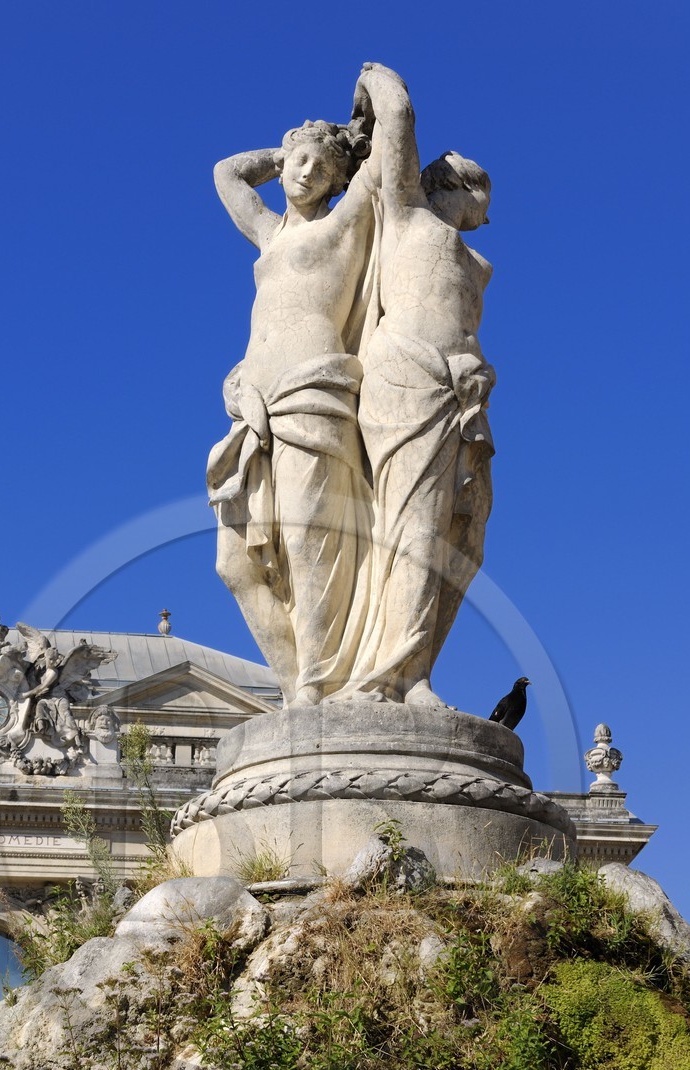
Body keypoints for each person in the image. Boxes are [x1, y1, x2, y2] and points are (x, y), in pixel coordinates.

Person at [208, 114, 379, 704]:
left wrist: (356, 130)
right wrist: (286, 152)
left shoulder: (344, 225)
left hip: (313, 388)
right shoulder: (270, 233)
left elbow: (387, 153)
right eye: (296, 163)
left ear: (337, 181)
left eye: (319, 168)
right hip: (251, 403)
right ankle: (295, 689)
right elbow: (226, 173)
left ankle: (315, 686)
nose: (304, 173)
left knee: (308, 539)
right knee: (236, 564)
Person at [348, 64, 496, 705]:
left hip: (464, 400)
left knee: (462, 537)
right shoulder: (406, 214)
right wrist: (372, 84)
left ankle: (414, 661)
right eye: (482, 201)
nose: (486, 220)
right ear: (455, 185)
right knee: (413, 526)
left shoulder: (471, 254)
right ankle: (401, 674)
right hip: (409, 377)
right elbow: (398, 117)